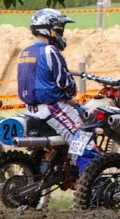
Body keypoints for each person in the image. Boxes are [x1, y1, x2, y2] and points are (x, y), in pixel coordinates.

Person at [16, 8, 88, 159]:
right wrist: (71, 93)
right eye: (59, 30)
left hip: (31, 109)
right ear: (49, 30)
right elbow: (65, 83)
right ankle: (88, 172)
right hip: (52, 107)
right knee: (84, 141)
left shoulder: (25, 52)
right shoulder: (50, 51)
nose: (61, 34)